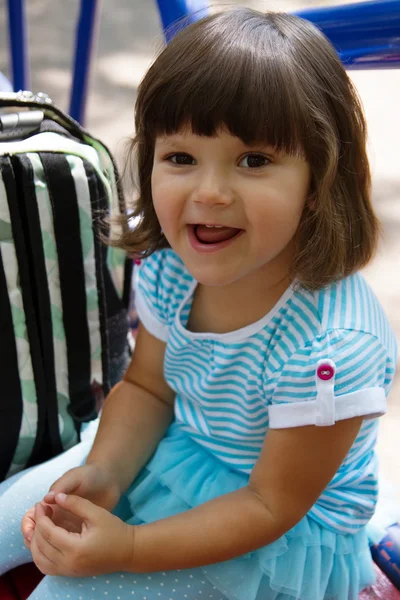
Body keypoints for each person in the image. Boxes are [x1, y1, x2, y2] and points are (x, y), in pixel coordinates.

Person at [0, 7, 397, 600]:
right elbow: (149, 389)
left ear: (319, 182)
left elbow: (272, 506)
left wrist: (129, 549)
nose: (209, 192)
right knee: (13, 518)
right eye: (181, 157)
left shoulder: (331, 349)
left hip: (268, 535)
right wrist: (106, 472)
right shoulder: (170, 269)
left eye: (254, 160)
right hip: (180, 449)